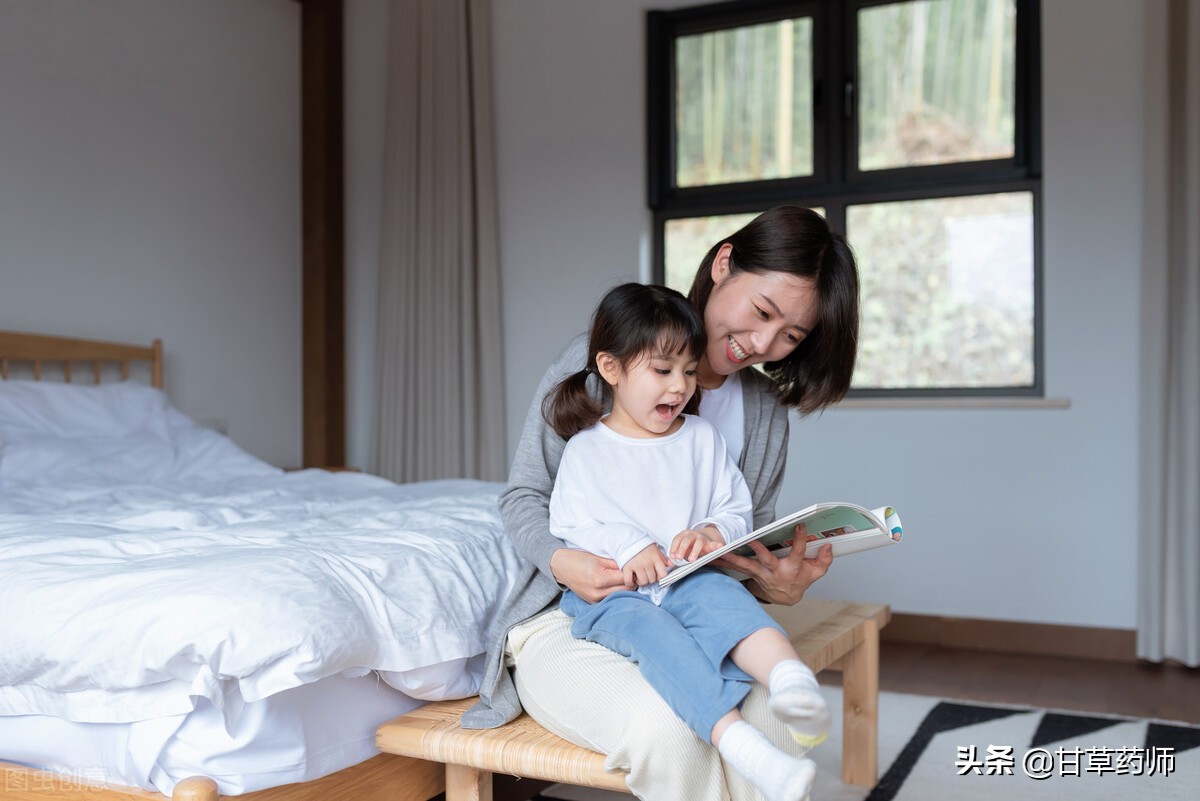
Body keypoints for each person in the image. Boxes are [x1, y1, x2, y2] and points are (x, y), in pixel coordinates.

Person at [463, 206, 860, 801]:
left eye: (790, 337)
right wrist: (561, 560)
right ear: (724, 263)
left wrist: (775, 583)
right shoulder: (605, 360)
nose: (762, 345)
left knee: (774, 717)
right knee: (669, 732)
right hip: (579, 610)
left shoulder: (764, 416)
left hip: (695, 601)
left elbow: (732, 541)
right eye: (761, 313)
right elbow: (527, 496)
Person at [545, 282, 831, 801]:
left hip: (686, 578)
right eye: (662, 371)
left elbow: (735, 509)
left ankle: (793, 683)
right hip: (614, 595)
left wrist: (712, 532)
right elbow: (570, 523)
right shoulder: (586, 450)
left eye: (689, 371)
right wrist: (630, 545)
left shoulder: (701, 438)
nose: (679, 387)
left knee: (730, 604)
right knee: (658, 639)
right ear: (610, 368)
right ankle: (738, 741)